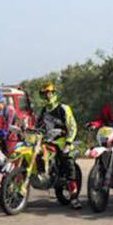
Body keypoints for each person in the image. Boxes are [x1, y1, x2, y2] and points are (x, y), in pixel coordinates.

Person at [37, 81, 81, 209]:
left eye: (49, 93)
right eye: (45, 94)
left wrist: (68, 142)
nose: (47, 96)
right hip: (47, 142)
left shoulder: (63, 108)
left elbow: (72, 126)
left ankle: (74, 198)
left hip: (63, 142)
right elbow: (37, 127)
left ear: (54, 93)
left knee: (68, 163)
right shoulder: (43, 111)